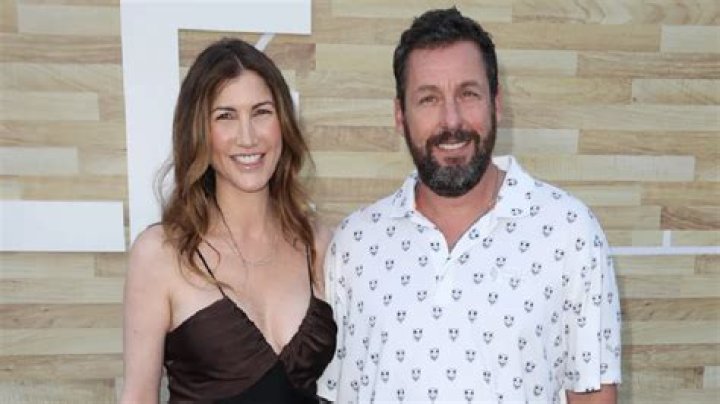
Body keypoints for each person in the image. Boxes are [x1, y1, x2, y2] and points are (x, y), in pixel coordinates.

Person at [318, 8, 621, 404]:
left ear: (496, 103)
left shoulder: (569, 231)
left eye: (468, 94)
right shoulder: (355, 243)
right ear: (400, 115)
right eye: (428, 99)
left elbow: (593, 394)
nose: (452, 121)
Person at [121, 38, 336, 403]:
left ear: (283, 122)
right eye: (225, 116)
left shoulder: (320, 245)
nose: (247, 137)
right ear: (199, 131)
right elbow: (139, 396)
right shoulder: (161, 253)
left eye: (261, 112)